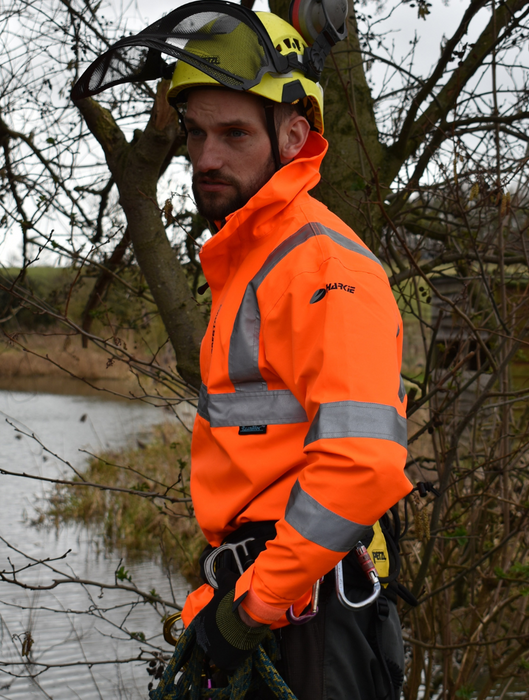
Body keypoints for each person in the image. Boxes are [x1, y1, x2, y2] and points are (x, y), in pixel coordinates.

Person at [72, 3, 414, 697]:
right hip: (273, 603)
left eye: (232, 134)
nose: (206, 158)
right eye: (196, 134)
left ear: (293, 136)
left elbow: (361, 465)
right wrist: (225, 607)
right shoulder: (255, 260)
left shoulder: (324, 267)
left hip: (310, 623)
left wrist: (251, 610)